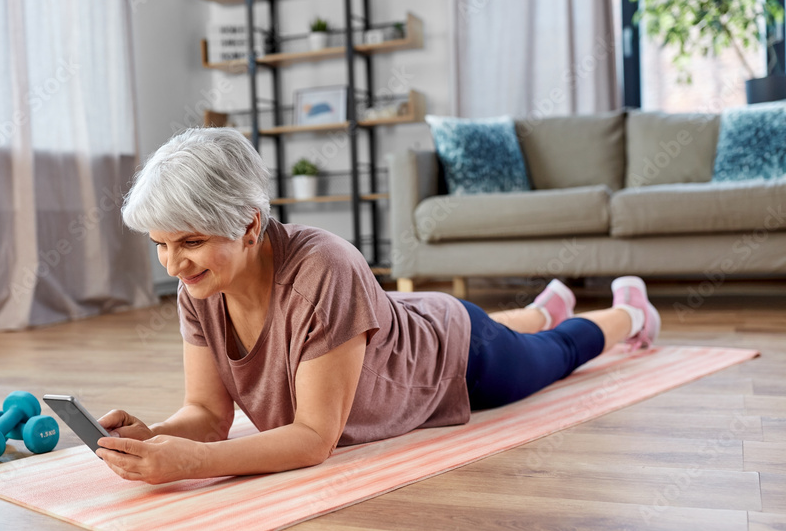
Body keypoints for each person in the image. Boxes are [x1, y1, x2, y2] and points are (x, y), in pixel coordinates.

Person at [96, 128, 660, 484]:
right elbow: (209, 415)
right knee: (522, 328)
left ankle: (628, 314)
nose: (172, 265)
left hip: (454, 356)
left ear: (249, 224)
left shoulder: (326, 267)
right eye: (160, 246)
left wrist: (192, 465)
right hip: (391, 325)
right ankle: (543, 305)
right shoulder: (200, 285)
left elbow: (314, 437)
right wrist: (155, 436)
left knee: (554, 353)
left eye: (190, 242)